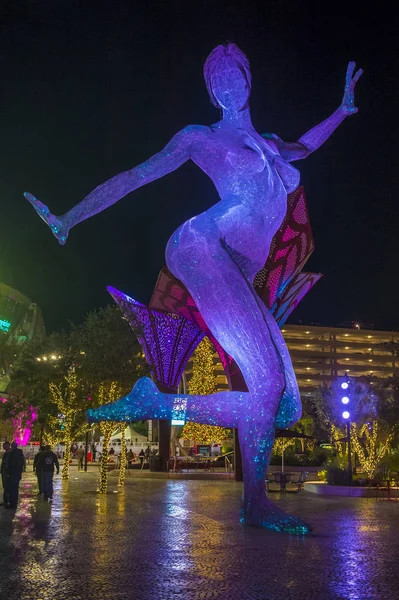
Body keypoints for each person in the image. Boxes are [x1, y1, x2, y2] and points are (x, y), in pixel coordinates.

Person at [26, 44, 361, 532]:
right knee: (266, 388)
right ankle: (256, 502)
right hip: (202, 246)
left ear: (249, 79)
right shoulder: (200, 138)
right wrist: (69, 218)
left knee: (283, 404)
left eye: (234, 75)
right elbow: (137, 175)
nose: (227, 85)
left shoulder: (269, 143)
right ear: (211, 91)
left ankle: (162, 406)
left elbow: (306, 146)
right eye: (216, 80)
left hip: (235, 274)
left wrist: (343, 111)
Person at [6, 441, 25, 509]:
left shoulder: (11, 453)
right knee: (15, 488)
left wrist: (7, 472)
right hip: (18, 473)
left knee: (11, 489)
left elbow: (9, 464)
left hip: (12, 473)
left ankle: (12, 503)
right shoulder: (20, 453)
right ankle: (15, 502)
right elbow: (22, 462)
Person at [0, 441, 11, 507]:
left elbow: (6, 463)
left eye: (4, 445)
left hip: (6, 472)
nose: (3, 447)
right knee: (5, 486)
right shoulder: (7, 452)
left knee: (6, 486)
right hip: (4, 472)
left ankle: (7, 500)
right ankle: (6, 500)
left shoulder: (9, 453)